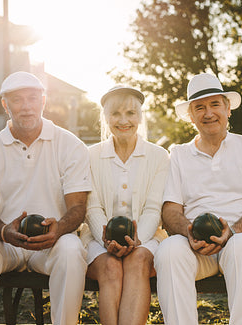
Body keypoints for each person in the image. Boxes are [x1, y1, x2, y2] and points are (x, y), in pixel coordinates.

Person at [0, 71, 92, 325]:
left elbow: (77, 206)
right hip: (5, 242)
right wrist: (4, 231)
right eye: (17, 100)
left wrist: (59, 228)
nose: (26, 106)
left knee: (72, 249)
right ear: (5, 105)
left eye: (32, 98)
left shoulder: (69, 145)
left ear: (44, 101)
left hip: (52, 242)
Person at [154, 73, 242, 325]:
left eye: (214, 105)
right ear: (191, 116)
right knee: (168, 250)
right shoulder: (178, 154)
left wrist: (232, 231)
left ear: (227, 108)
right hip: (197, 246)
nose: (208, 113)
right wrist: (189, 234)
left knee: (240, 247)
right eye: (199, 107)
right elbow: (170, 211)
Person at [80, 85, 169, 325]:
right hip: (99, 238)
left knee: (137, 260)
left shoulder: (159, 156)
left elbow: (153, 209)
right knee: (110, 266)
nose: (123, 120)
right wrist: (106, 239)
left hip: (146, 237)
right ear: (105, 117)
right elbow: (92, 208)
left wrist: (137, 239)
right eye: (115, 114)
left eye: (130, 113)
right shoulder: (89, 156)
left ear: (140, 116)